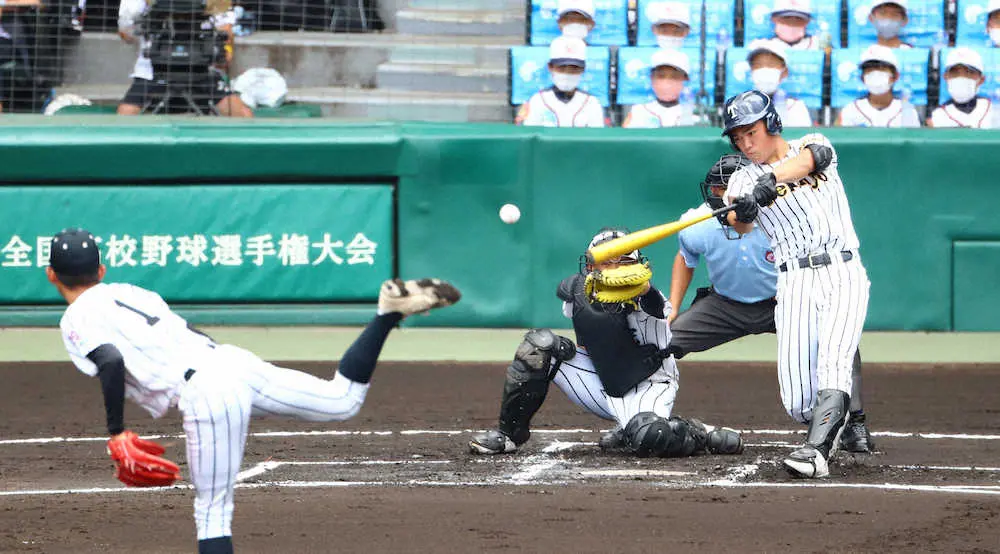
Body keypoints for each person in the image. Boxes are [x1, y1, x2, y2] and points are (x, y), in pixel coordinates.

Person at [46, 227, 461, 554]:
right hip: (230, 361)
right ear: (101, 270)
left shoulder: (74, 319)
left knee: (212, 514)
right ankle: (386, 315)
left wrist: (116, 431)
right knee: (341, 399)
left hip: (206, 391)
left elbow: (111, 361)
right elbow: (188, 333)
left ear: (51, 274)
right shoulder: (131, 292)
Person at [659, 153, 873, 454]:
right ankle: (647, 416)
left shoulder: (782, 218)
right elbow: (686, 257)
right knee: (661, 343)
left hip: (783, 301)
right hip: (724, 306)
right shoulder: (697, 222)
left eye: (726, 188)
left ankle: (855, 423)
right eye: (716, 189)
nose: (720, 195)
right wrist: (673, 305)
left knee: (839, 343)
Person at [467, 228, 744, 459]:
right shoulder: (581, 292)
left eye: (621, 261)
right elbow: (580, 315)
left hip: (649, 383)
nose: (613, 268)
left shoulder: (649, 298)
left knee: (651, 437)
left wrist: (641, 287)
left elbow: (653, 303)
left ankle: (696, 433)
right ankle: (508, 435)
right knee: (538, 346)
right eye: (606, 261)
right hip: (601, 380)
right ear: (591, 266)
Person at [720, 90, 871, 479]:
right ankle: (838, 420)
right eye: (738, 137)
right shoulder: (741, 178)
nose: (745, 143)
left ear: (771, 123)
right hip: (794, 280)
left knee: (834, 362)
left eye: (751, 132)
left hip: (841, 268)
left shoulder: (812, 142)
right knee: (799, 400)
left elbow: (812, 160)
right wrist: (744, 209)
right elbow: (739, 223)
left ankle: (816, 453)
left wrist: (771, 179)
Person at [116, 0, 252, 116]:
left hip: (203, 71)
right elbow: (126, 32)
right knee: (125, 116)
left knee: (243, 115)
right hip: (152, 72)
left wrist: (223, 52)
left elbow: (225, 34)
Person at [515, 36, 605, 127]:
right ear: (550, 67)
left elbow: (597, 134)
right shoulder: (537, 100)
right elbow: (529, 133)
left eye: (573, 69)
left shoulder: (592, 103)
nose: (567, 74)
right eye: (561, 68)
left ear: (583, 69)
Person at [836, 44, 921, 127]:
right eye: (869, 70)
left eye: (881, 69)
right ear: (862, 78)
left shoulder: (907, 111)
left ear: (895, 76)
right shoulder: (851, 110)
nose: (875, 74)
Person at [622, 48, 697, 128]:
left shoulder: (695, 113)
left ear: (685, 80)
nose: (667, 82)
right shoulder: (638, 112)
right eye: (661, 76)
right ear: (652, 78)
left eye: (674, 77)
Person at [746, 39, 813, 127]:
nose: (764, 70)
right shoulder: (740, 107)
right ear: (751, 71)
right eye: (758, 65)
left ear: (785, 72)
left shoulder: (796, 107)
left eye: (771, 64)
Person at [928, 47, 996, 128]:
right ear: (945, 77)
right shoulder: (937, 116)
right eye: (954, 72)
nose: (961, 77)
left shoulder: (993, 109)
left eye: (968, 72)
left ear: (981, 79)